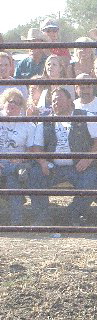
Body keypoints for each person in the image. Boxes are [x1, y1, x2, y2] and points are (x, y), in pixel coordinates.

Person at [29, 88, 97, 226]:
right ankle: (42, 218)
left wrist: (87, 159)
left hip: (80, 167)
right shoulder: (45, 122)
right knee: (34, 174)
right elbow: (37, 147)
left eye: (59, 99)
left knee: (90, 182)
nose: (55, 103)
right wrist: (42, 162)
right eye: (53, 100)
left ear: (70, 101)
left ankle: (71, 215)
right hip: (54, 168)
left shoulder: (86, 116)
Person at [0, 89, 35, 225]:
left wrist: (21, 158)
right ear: (4, 103)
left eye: (17, 103)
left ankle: (17, 221)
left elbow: (31, 149)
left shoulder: (27, 125)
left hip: (16, 164)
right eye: (10, 101)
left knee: (14, 176)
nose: (12, 105)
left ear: (21, 107)